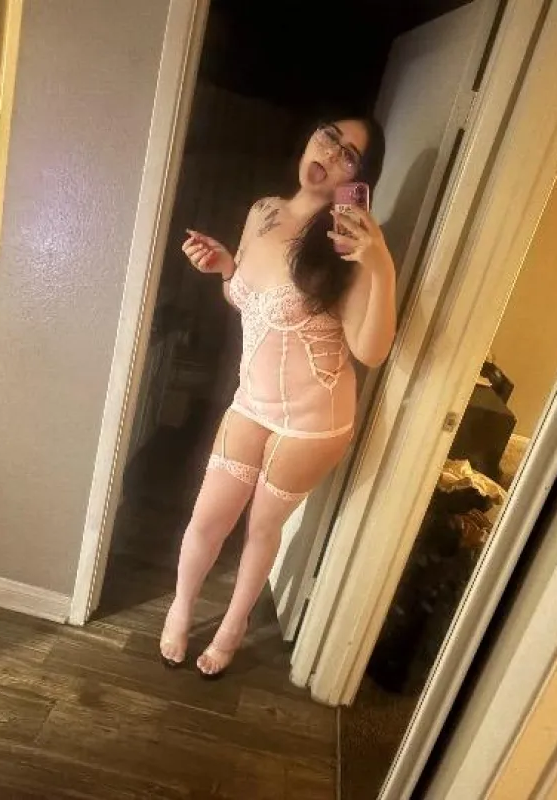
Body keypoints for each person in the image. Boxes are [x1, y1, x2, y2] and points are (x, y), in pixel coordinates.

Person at [160, 118, 396, 677]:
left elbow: (371, 350)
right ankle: (181, 608)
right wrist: (225, 268)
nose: (331, 153)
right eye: (329, 136)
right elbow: (245, 299)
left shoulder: (344, 242)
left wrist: (379, 263)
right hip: (252, 401)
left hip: (313, 421)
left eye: (349, 156)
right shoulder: (262, 210)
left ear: (358, 179)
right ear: (311, 137)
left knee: (261, 529)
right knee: (206, 520)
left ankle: (232, 625)